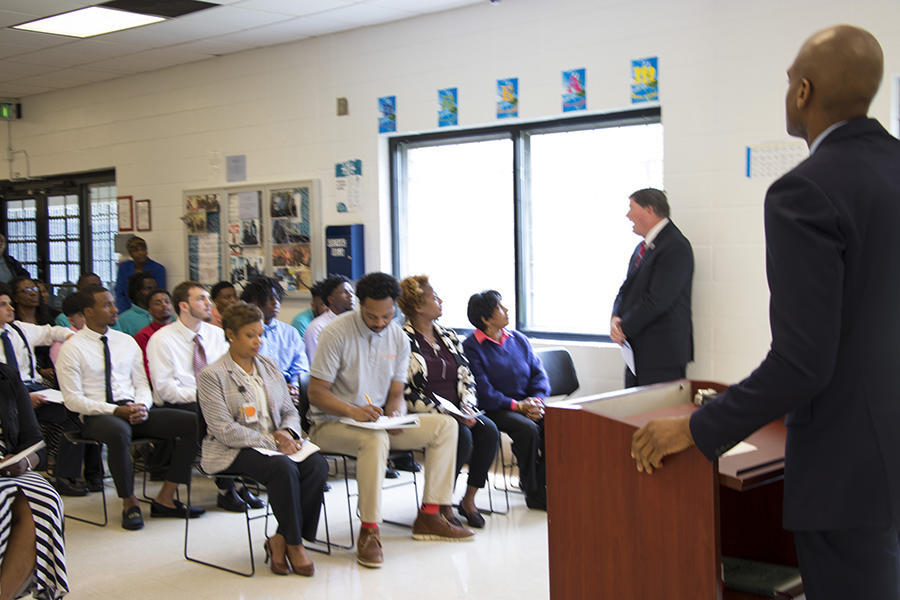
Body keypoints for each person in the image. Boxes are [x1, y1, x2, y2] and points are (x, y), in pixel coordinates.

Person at [630, 25, 900, 600]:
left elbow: (804, 362)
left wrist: (697, 429)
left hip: (847, 473)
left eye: (785, 82)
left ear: (803, 91)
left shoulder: (805, 191)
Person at [308, 272, 474, 568]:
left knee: (446, 426)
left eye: (387, 315)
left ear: (395, 307)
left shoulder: (397, 336)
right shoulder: (335, 333)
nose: (380, 322)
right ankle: (369, 531)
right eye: (372, 316)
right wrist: (352, 410)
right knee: (375, 438)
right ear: (360, 305)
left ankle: (430, 514)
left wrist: (396, 414)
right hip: (331, 425)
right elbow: (317, 393)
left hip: (376, 422)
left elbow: (396, 392)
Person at [56, 285, 204, 530]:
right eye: (107, 305)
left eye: (114, 303)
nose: (115, 309)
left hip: (133, 409)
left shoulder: (126, 342)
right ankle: (129, 502)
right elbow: (72, 400)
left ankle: (166, 497)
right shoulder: (72, 348)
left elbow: (142, 384)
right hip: (98, 415)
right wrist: (114, 410)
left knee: (193, 421)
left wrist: (143, 406)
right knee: (118, 432)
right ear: (88, 312)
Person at [198, 302, 328, 576]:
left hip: (278, 442)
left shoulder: (268, 365)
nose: (258, 341)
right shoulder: (213, 375)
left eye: (260, 334)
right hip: (233, 448)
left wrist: (290, 433)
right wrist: (274, 441)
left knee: (317, 464)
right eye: (250, 335)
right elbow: (223, 429)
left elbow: (289, 410)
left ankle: (281, 538)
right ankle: (295, 544)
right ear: (230, 335)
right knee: (283, 468)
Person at [146, 281, 262, 512]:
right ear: (184, 306)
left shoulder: (216, 334)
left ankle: (239, 482)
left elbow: (231, 373)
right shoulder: (162, 339)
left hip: (214, 401)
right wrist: (210, 397)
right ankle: (226, 489)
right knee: (212, 419)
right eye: (201, 299)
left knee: (251, 411)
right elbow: (165, 389)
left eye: (208, 298)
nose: (209, 303)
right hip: (177, 404)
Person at [398, 275, 498, 528]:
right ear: (418, 307)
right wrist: (445, 412)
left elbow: (466, 375)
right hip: (427, 411)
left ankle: (469, 499)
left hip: (458, 408)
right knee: (460, 435)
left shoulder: (449, 336)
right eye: (434, 297)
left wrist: (467, 404)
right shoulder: (402, 339)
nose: (440, 300)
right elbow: (406, 391)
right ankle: (441, 503)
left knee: (488, 430)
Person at [462, 290, 550, 510]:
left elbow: (539, 375)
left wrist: (536, 400)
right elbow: (483, 391)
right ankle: (533, 492)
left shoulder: (518, 339)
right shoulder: (472, 347)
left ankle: (541, 482)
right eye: (501, 307)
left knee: (557, 424)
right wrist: (517, 406)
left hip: (527, 404)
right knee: (528, 429)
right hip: (495, 407)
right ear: (485, 318)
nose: (507, 310)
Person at [0, 283, 87, 497]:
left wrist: (72, 338)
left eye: (10, 304)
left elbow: (53, 332)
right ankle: (25, 471)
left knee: (74, 415)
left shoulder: (19, 329)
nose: (10, 308)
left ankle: (64, 475)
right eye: (3, 305)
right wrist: (24, 398)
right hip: (7, 397)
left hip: (36, 387)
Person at [609, 188, 693, 388]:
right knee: (633, 414)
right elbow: (625, 289)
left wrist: (624, 328)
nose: (627, 215)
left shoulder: (675, 246)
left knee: (657, 415)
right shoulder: (641, 248)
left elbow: (658, 300)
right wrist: (615, 317)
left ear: (649, 210)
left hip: (662, 354)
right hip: (637, 352)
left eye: (632, 207)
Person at [0, 362, 68, 600]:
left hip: (6, 467)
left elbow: (35, 443)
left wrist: (24, 462)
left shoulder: (5, 376)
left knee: (44, 499)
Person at [240, 277, 308, 399]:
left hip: (291, 394)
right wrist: (278, 388)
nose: (275, 302)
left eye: (277, 297)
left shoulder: (290, 332)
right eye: (269, 298)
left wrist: (295, 387)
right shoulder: (243, 335)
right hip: (257, 393)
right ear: (254, 302)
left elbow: (301, 368)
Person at [303, 275, 354, 363]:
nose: (351, 296)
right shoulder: (317, 327)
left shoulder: (358, 322)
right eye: (345, 292)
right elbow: (315, 363)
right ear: (331, 299)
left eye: (351, 292)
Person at [114, 236, 166, 313]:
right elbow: (120, 292)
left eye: (143, 249)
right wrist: (124, 312)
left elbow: (160, 293)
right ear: (130, 253)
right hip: (127, 308)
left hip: (151, 310)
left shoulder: (157, 269)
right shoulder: (124, 267)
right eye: (136, 251)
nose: (140, 253)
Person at [134, 289, 174, 381]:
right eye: (158, 303)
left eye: (167, 302)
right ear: (149, 310)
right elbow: (144, 368)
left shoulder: (181, 331)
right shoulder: (143, 336)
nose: (164, 305)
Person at [116, 272, 165, 336]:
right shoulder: (123, 320)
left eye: (156, 288)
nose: (154, 292)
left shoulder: (166, 313)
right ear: (136, 292)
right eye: (149, 288)